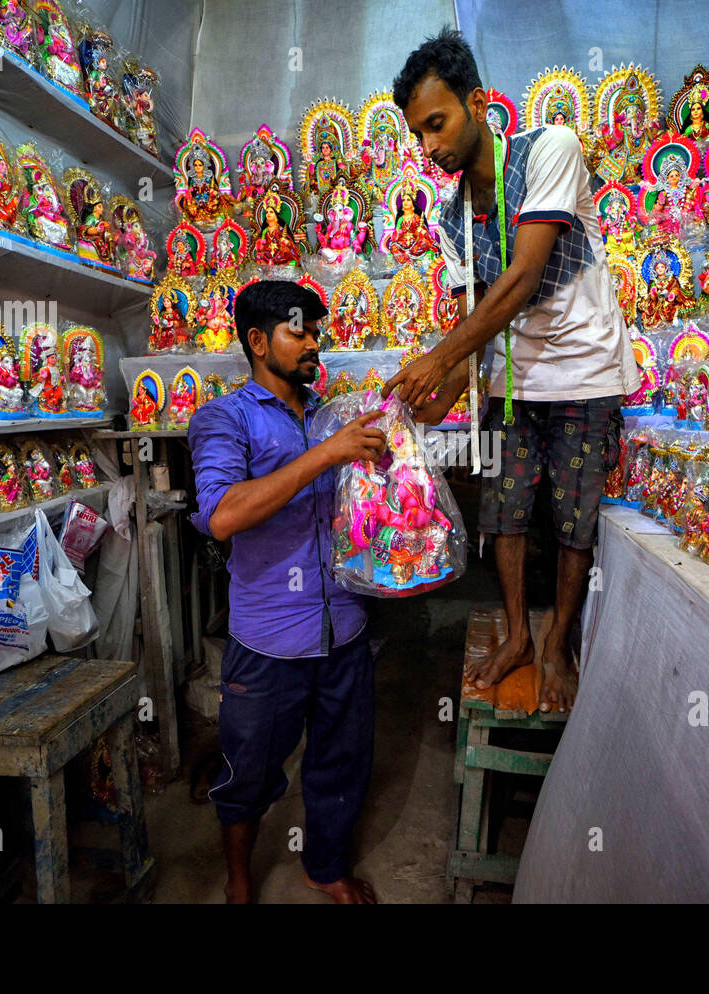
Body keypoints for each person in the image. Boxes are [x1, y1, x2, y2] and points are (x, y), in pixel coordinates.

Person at [387, 29, 640, 712]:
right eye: (419, 135)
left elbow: (525, 274)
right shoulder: (449, 217)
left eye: (437, 124)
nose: (430, 146)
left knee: (573, 517)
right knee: (502, 513)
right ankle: (517, 636)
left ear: (476, 102)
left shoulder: (549, 149)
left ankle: (557, 641)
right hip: (510, 385)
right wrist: (435, 397)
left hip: (583, 370)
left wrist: (438, 356)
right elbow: (474, 317)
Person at [187, 280, 388, 904]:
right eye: (298, 331)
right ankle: (239, 880)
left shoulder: (330, 412)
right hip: (269, 636)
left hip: (345, 627)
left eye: (314, 333)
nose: (312, 344)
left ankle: (323, 867)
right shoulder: (223, 417)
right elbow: (222, 513)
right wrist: (327, 454)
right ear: (256, 341)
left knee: (340, 761)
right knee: (248, 770)